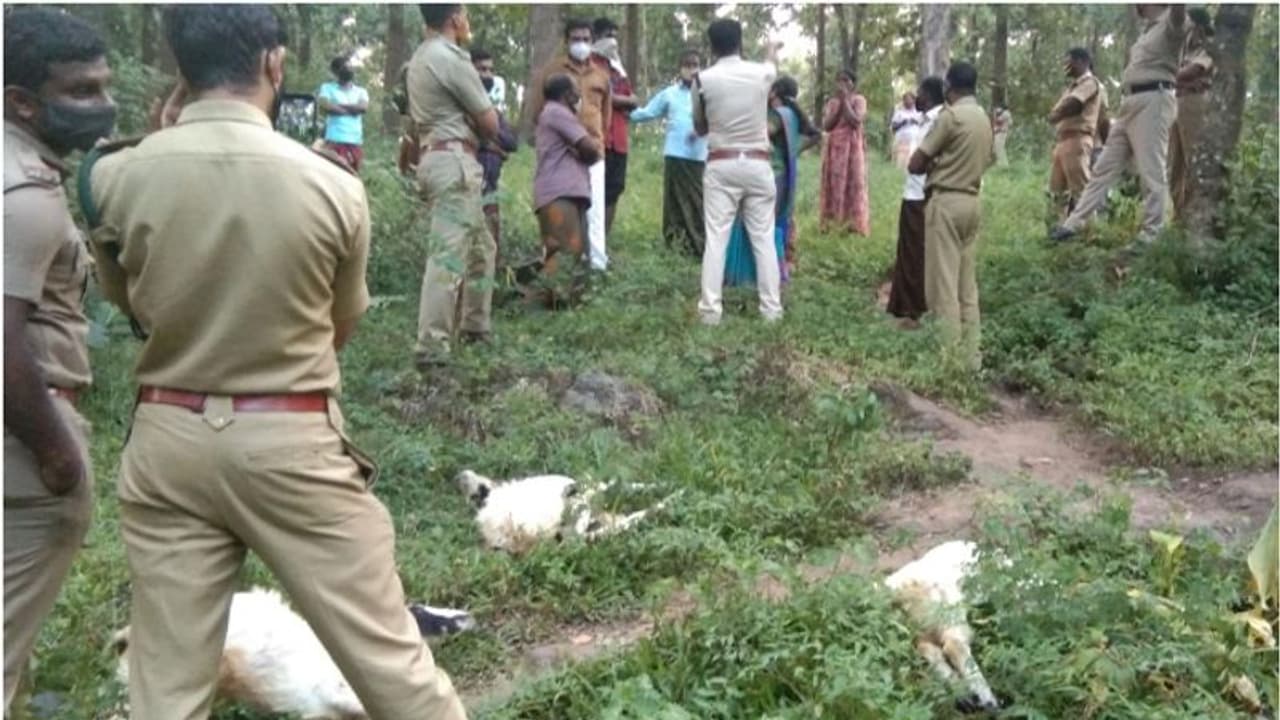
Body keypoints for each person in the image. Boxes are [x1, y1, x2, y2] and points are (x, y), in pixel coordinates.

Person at [82, 6, 467, 720]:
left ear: (178, 70)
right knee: (393, 669)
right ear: (275, 65)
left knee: (165, 689)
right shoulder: (332, 185)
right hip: (292, 439)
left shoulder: (110, 178)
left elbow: (130, 305)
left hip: (167, 439)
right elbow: (337, 327)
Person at [3, 9, 113, 711]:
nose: (100, 105)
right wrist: (57, 454)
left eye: (103, 86)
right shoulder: (26, 200)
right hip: (25, 440)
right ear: (21, 101)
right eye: (79, 91)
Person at [408, 3, 500, 369]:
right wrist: (475, 122)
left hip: (435, 157)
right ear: (455, 19)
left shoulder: (417, 59)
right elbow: (490, 123)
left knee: (482, 247)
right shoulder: (451, 57)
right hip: (454, 162)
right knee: (447, 257)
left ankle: (476, 328)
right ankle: (432, 348)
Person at [1051, 4, 1187, 245]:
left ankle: (1152, 233)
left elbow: (1179, 10)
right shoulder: (1147, 32)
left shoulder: (1172, 24)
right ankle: (1074, 223)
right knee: (1104, 166)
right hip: (1130, 103)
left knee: (1151, 167)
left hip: (1155, 99)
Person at [691, 18, 784, 325]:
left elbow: (700, 126)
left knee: (716, 238)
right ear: (740, 42)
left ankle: (710, 311)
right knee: (764, 239)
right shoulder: (761, 74)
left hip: (721, 162)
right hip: (758, 164)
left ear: (711, 45)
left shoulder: (702, 80)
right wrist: (771, 49)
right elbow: (772, 65)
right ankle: (771, 310)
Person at [908, 61, 995, 371]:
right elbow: (990, 158)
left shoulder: (951, 117)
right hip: (972, 201)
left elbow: (915, 163)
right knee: (966, 286)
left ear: (949, 86)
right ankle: (972, 357)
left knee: (942, 285)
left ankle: (947, 359)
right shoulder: (985, 119)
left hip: (945, 202)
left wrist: (939, 165)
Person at [527, 18, 612, 271]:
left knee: (594, 211)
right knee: (566, 211)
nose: (581, 44)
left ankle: (596, 265)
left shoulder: (601, 75)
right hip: (562, 156)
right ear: (566, 41)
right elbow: (538, 111)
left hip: (593, 151)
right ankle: (562, 268)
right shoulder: (552, 72)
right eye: (576, 39)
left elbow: (605, 116)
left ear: (593, 41)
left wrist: (593, 144)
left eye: (586, 39)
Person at [723, 75, 820, 287]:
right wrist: (793, 151)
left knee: (760, 223)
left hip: (771, 173)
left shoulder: (778, 115)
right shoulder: (792, 114)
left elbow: (763, 133)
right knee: (774, 222)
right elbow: (815, 135)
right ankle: (774, 271)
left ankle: (758, 275)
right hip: (783, 173)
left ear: (774, 91)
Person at [530, 73, 602, 308]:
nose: (579, 94)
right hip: (559, 193)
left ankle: (566, 305)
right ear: (566, 94)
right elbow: (590, 149)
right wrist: (586, 151)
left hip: (565, 192)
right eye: (575, 90)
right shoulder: (558, 113)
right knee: (563, 252)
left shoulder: (552, 113)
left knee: (572, 252)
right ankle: (555, 306)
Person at [630, 49, 708, 258]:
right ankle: (675, 244)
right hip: (675, 154)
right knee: (674, 203)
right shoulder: (670, 94)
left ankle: (699, 245)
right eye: (687, 65)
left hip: (699, 156)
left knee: (698, 202)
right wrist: (621, 110)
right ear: (680, 68)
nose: (691, 69)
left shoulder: (706, 93)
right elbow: (646, 113)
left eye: (695, 65)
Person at [887, 76, 945, 325]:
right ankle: (907, 306)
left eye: (919, 92)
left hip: (924, 194)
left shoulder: (941, 121)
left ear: (929, 94)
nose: (915, 97)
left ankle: (919, 307)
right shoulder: (924, 120)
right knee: (910, 251)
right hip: (913, 192)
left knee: (920, 252)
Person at [1048, 48, 1109, 219]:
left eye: (1069, 61)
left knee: (1081, 190)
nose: (1066, 66)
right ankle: (1056, 228)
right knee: (1057, 190)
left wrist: (1055, 114)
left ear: (1082, 62)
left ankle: (1090, 230)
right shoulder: (1071, 87)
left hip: (1077, 139)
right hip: (1063, 140)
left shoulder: (1090, 83)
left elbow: (1074, 104)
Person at [592, 17, 638, 237]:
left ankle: (603, 242)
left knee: (613, 190)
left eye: (614, 36)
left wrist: (624, 101)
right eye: (607, 35)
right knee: (591, 191)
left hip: (618, 139)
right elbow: (595, 95)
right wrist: (624, 101)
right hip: (596, 136)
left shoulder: (618, 68)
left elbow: (631, 100)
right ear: (596, 37)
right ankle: (587, 245)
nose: (612, 41)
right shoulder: (589, 63)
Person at [472, 48, 519, 258]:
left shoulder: (495, 112)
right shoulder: (461, 106)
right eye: (481, 69)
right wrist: (491, 146)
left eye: (490, 70)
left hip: (491, 189)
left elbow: (511, 142)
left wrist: (493, 141)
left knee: (491, 246)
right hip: (467, 187)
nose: (487, 75)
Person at [1168, 9, 1214, 222]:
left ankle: (1195, 217)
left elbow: (1189, 72)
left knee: (1192, 159)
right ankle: (1179, 217)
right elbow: (1174, 76)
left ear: (1198, 27)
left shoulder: (1208, 48)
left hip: (1194, 103)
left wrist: (1173, 78)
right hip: (1176, 103)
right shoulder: (1181, 51)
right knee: (1174, 164)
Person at [820, 69, 870, 236]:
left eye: (846, 80)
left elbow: (855, 121)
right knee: (834, 184)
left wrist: (846, 101)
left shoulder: (859, 100)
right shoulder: (832, 103)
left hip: (852, 148)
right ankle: (833, 221)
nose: (842, 84)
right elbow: (827, 126)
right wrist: (840, 103)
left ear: (852, 83)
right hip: (834, 149)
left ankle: (853, 224)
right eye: (839, 80)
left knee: (853, 183)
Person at [316, 55, 369, 172]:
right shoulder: (327, 88)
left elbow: (363, 108)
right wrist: (352, 110)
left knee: (353, 177)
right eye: (345, 67)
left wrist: (338, 106)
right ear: (336, 71)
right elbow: (325, 105)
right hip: (334, 140)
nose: (349, 70)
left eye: (350, 67)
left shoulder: (361, 91)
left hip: (354, 141)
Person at [890, 91, 922, 170]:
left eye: (909, 99)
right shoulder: (899, 112)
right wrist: (903, 123)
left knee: (911, 161)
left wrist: (915, 121)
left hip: (914, 141)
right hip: (901, 141)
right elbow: (893, 127)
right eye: (905, 99)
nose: (907, 101)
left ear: (914, 100)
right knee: (900, 162)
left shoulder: (919, 112)